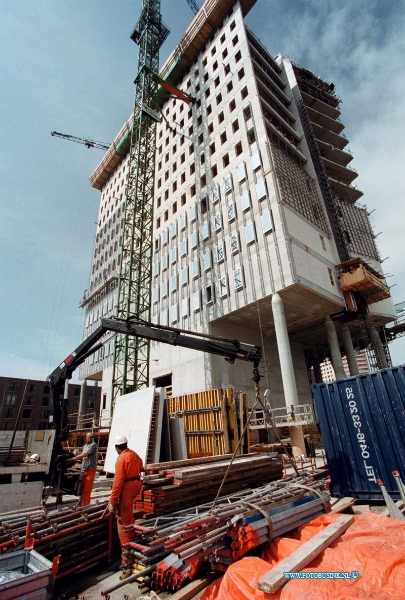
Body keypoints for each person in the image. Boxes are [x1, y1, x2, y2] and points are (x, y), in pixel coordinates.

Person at [108, 435, 143, 565]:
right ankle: (132, 541)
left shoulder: (121, 459)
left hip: (127, 489)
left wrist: (112, 501)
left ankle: (126, 558)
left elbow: (117, 483)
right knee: (129, 517)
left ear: (117, 447)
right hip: (136, 485)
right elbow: (141, 467)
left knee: (123, 521)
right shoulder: (134, 454)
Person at [69, 432, 98, 506]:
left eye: (92, 437)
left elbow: (85, 454)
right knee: (82, 488)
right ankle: (81, 503)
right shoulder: (85, 446)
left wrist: (74, 458)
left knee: (87, 489)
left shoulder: (93, 445)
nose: (91, 439)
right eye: (90, 437)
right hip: (84, 469)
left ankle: (85, 505)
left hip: (90, 469)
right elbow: (83, 456)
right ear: (86, 438)